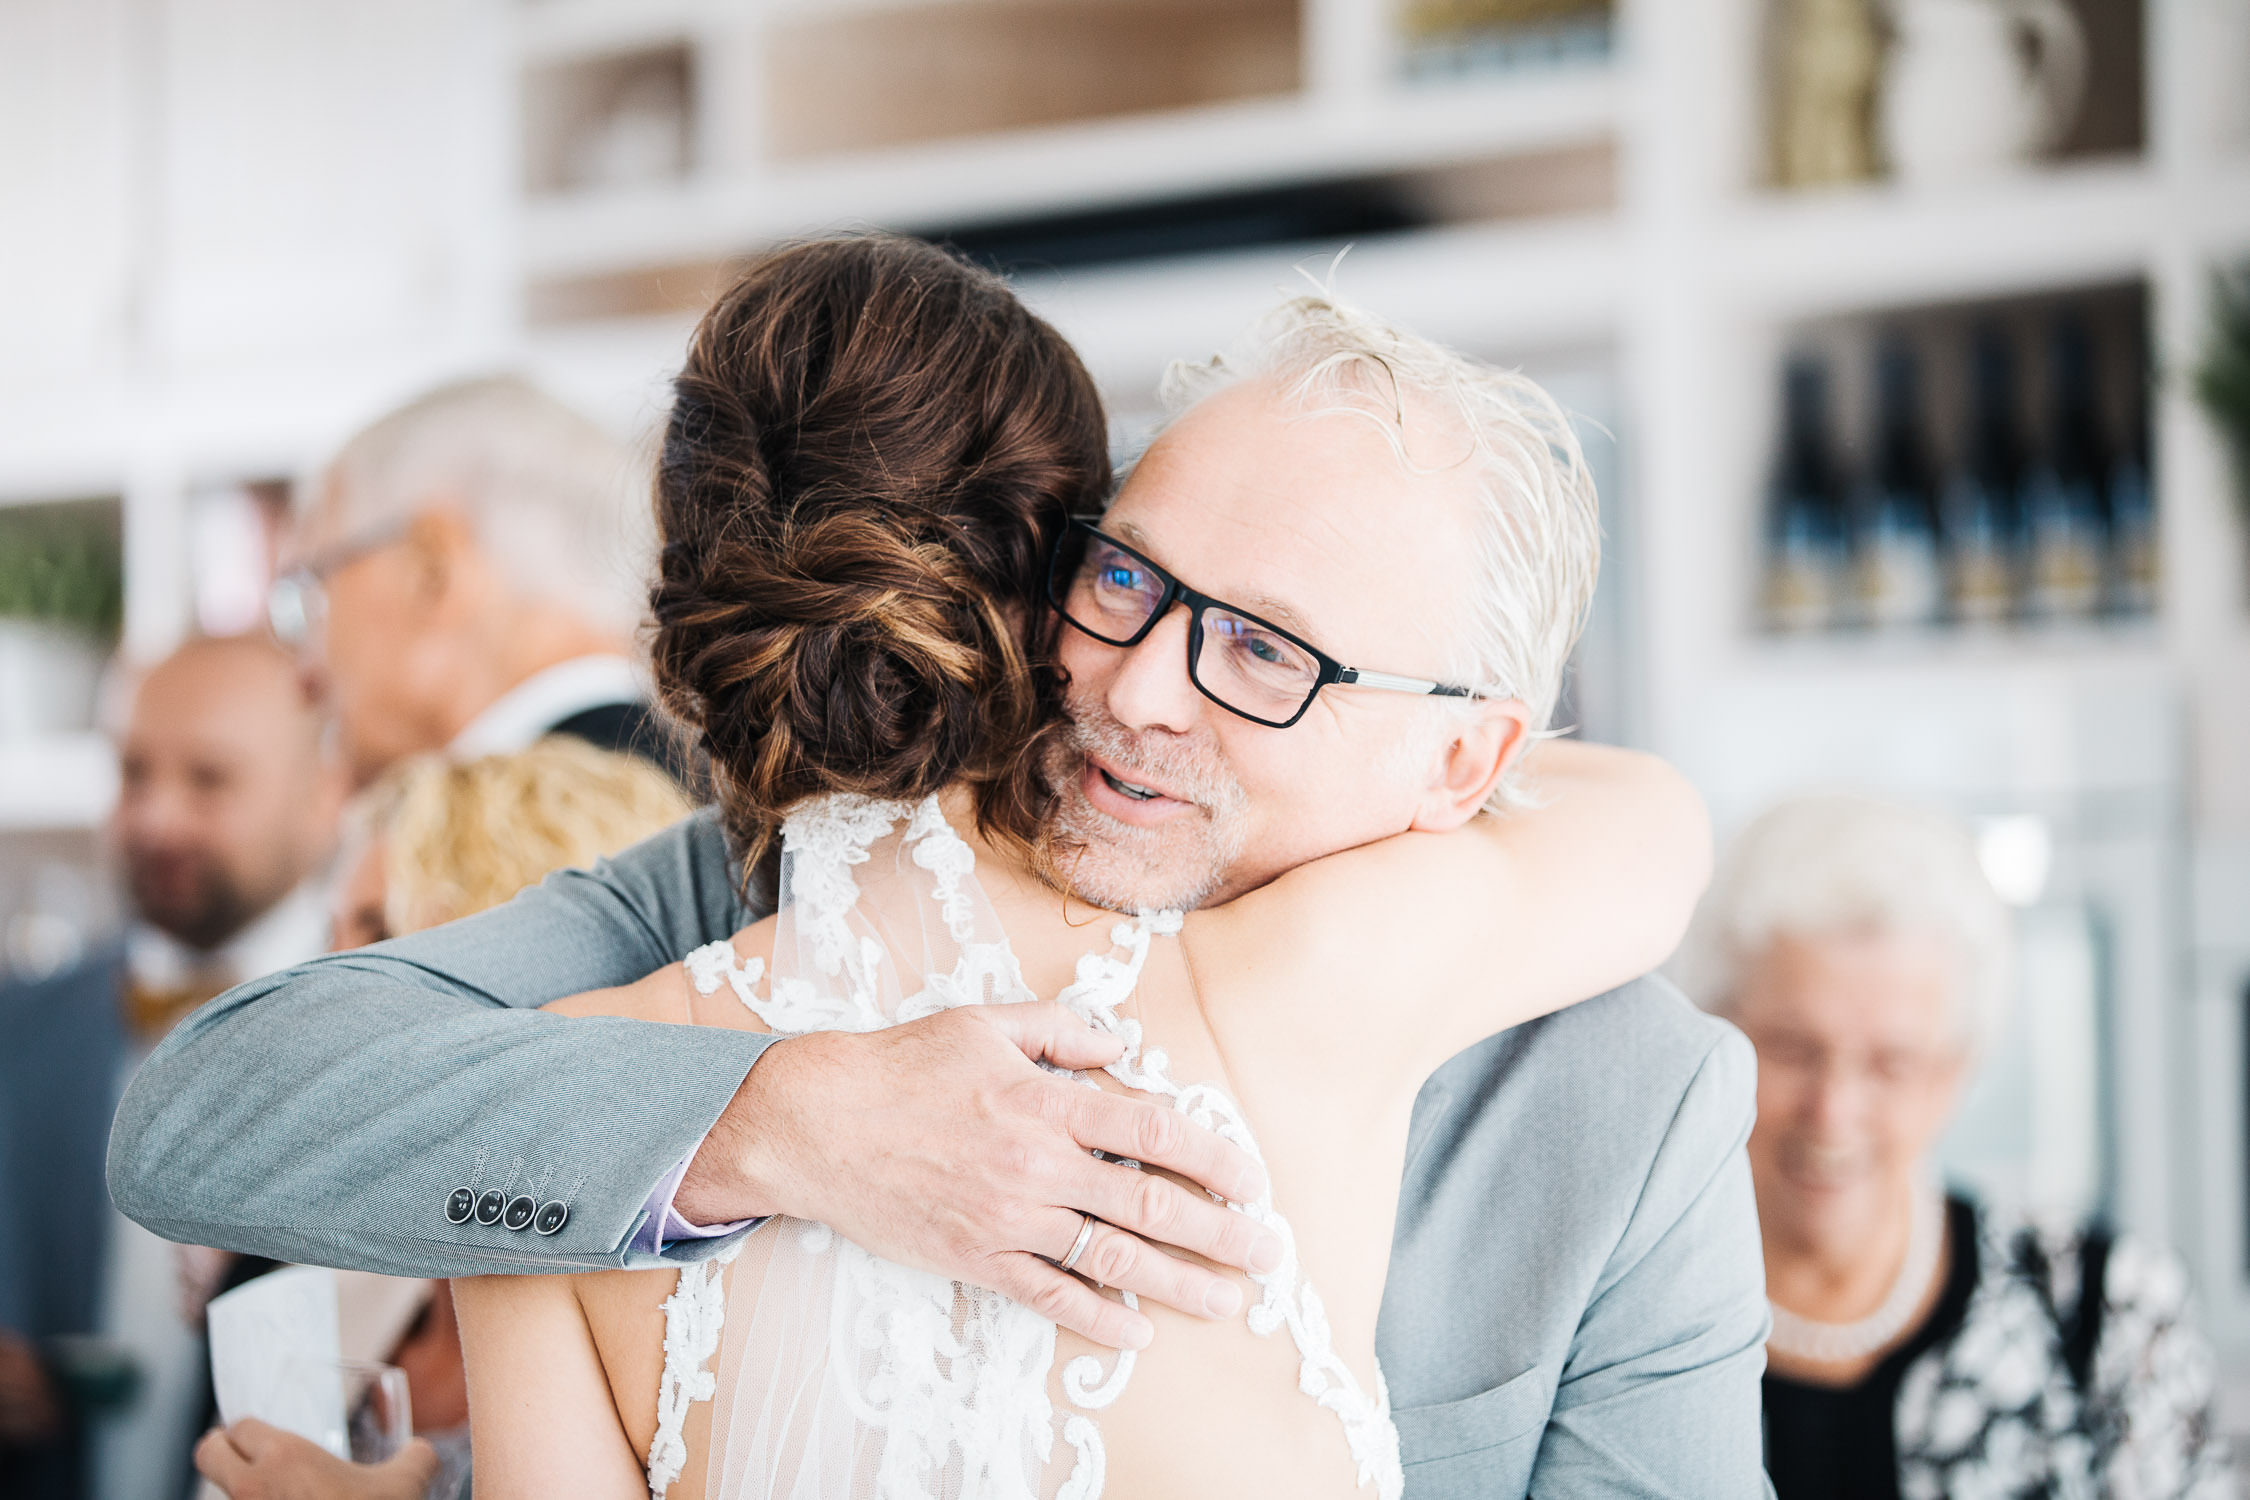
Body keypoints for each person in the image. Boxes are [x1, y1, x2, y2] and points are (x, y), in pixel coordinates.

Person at [111, 237, 1769, 1497]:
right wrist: (779, 1120)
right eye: (1126, 580)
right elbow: (200, 1117)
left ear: (1475, 760)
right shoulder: (691, 915)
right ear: (1033, 570)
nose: (1139, 687)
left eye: (1267, 656)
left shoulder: (1633, 1101)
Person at [1682, 794, 2233, 1499]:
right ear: (1714, 1032)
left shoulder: (2103, 1314)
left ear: (1957, 1070)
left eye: (1892, 1064)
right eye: (1791, 1049)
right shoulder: (1635, 1316)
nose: (1833, 1111)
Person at [194, 739, 695, 1500]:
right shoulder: (324, 1289)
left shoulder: (681, 1345)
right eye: (331, 938)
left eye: (376, 937)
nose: (312, 988)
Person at [1, 634, 344, 1500]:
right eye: (131, 773)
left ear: (325, 797)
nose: (155, 818)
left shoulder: (380, 1036)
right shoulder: (20, 1024)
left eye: (209, 779)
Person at [271, 375, 676, 787]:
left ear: (430, 574)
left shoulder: (534, 832)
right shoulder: (690, 790)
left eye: (313, 594)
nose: (302, 679)